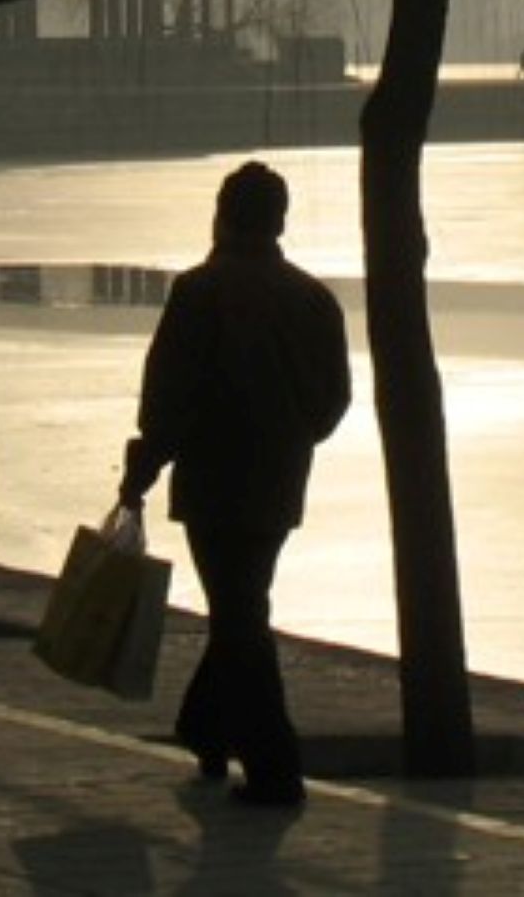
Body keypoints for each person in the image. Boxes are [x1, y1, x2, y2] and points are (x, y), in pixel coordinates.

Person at [119, 159, 351, 809]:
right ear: (280, 221)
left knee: (239, 611)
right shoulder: (313, 299)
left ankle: (274, 767)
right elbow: (333, 399)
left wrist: (143, 468)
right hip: (279, 481)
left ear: (222, 215)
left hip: (213, 480)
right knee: (242, 602)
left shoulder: (199, 292)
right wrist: (292, 435)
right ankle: (207, 727)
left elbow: (168, 395)